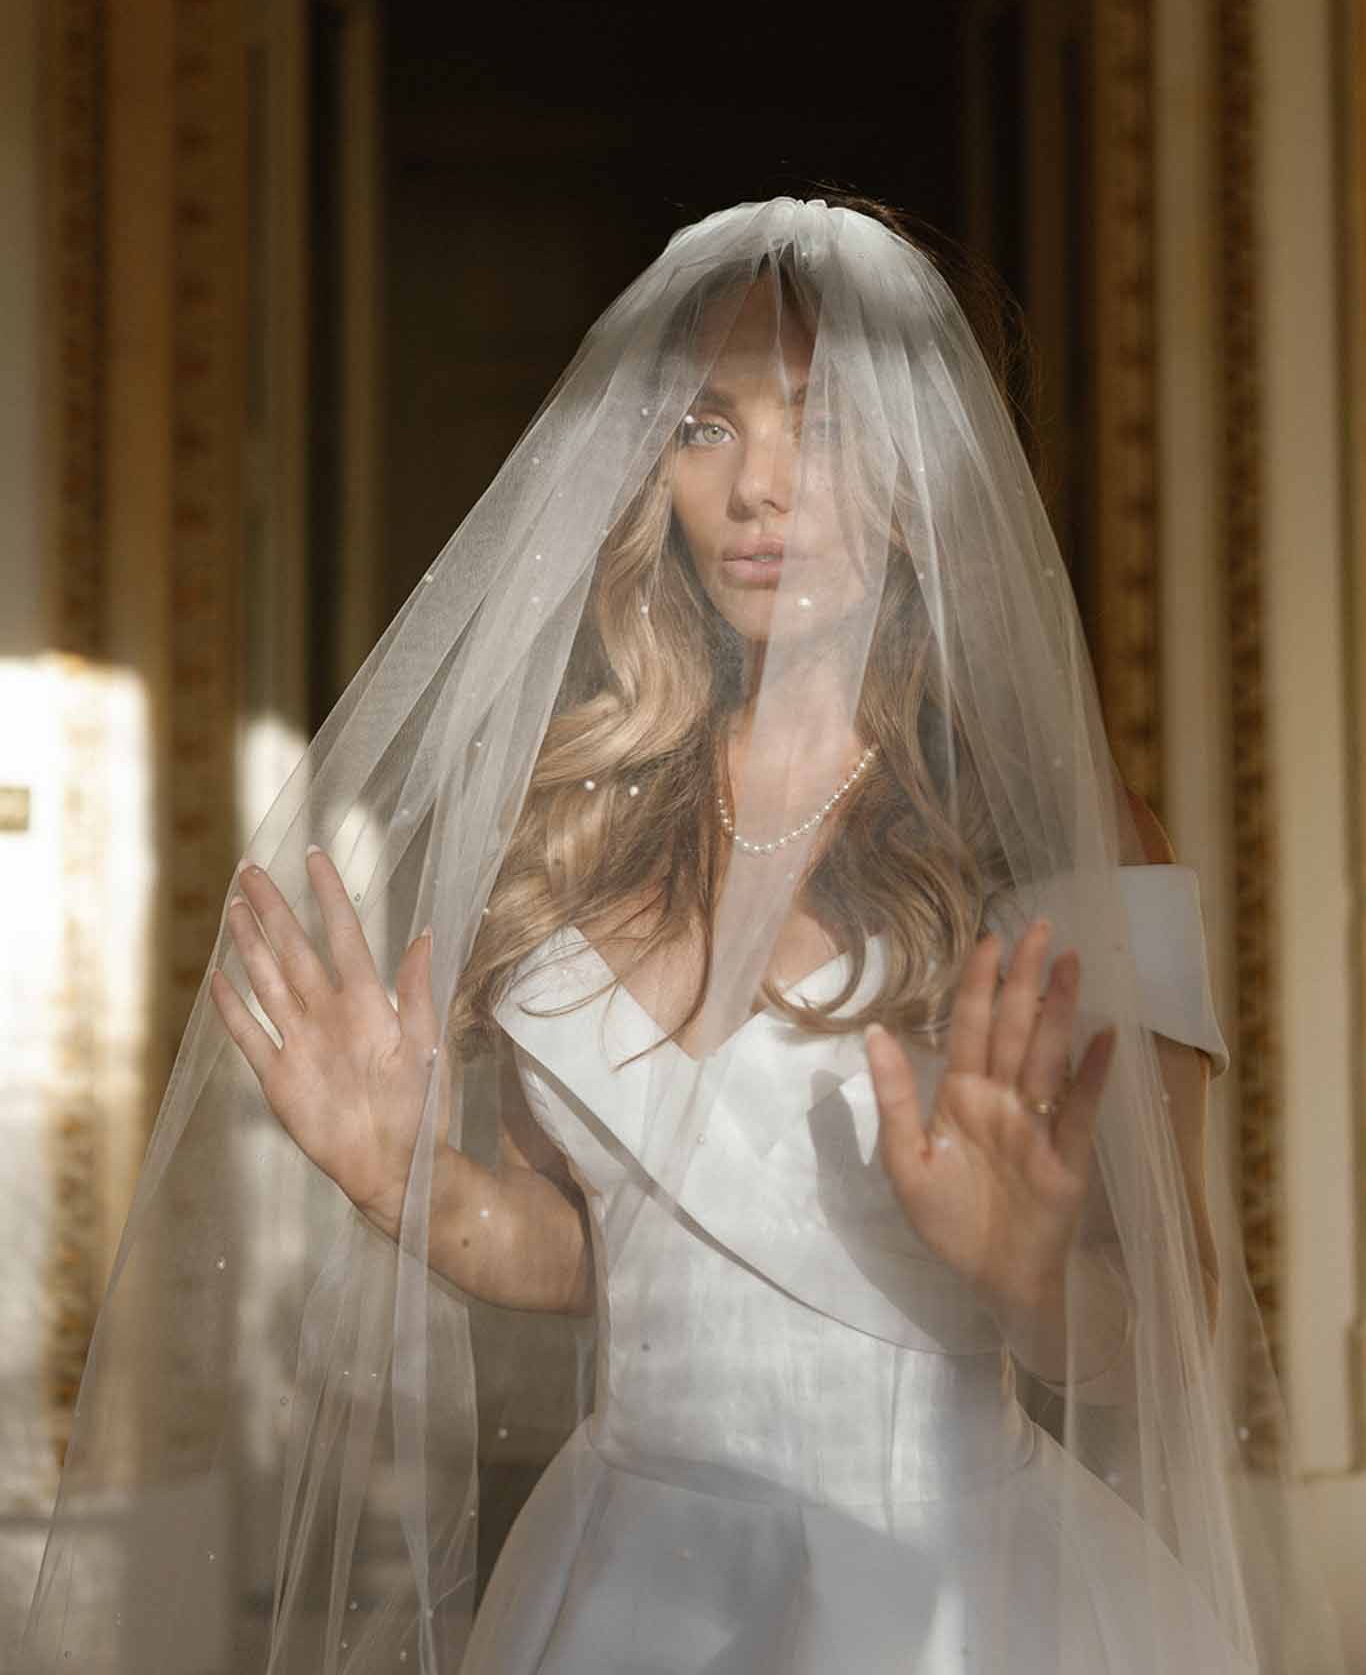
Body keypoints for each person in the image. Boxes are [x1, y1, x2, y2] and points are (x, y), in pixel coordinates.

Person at [21, 196, 1340, 1673]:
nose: (756, 490)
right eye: (703, 427)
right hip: (623, 1579)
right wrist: (411, 1188)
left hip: (943, 1599)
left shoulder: (1062, 848)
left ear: (931, 470)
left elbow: (1172, 1336)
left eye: (822, 426)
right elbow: (590, 1253)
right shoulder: (580, 825)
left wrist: (1024, 1268)